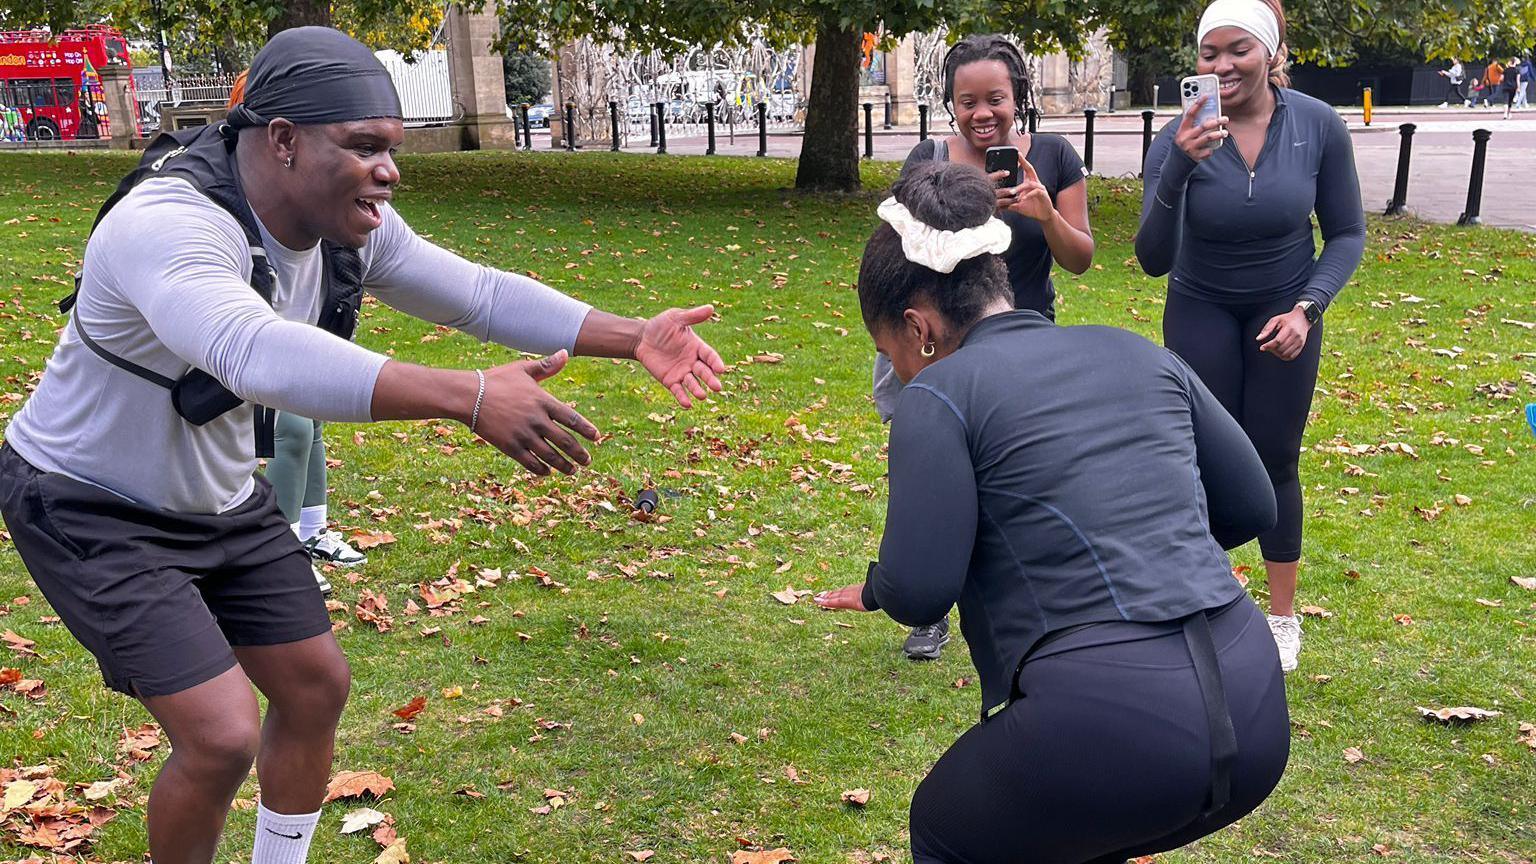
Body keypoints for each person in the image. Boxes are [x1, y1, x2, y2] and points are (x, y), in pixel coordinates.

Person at [0, 27, 723, 864]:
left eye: (394, 149)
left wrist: (633, 335)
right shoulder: (165, 223)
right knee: (222, 736)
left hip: (221, 497)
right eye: (366, 147)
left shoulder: (347, 222)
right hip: (90, 502)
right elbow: (254, 352)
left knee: (314, 688)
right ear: (281, 140)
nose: (390, 171)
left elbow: (477, 293)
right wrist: (469, 395)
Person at [816, 160, 1289, 864]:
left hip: (1107, 726)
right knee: (1070, 832)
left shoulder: (939, 394)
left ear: (919, 328)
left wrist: (880, 585)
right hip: (1254, 712)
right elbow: (1252, 504)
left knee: (944, 828)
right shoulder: (1137, 352)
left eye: (890, 353)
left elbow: (921, 587)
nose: (899, 372)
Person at [1135, 0, 1366, 673]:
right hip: (1200, 306)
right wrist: (1178, 163)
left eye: (1238, 49)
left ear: (1270, 52)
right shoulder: (1177, 136)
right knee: (1200, 458)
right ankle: (1203, 603)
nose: (1222, 65)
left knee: (1275, 459)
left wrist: (1306, 310)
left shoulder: (1317, 125)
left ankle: (1282, 618)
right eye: (1209, 53)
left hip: (1283, 311)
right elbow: (1153, 257)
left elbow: (1346, 233)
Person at [873, 33, 1095, 661]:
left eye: (994, 98)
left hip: (1022, 342)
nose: (981, 113)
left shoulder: (1051, 156)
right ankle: (929, 605)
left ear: (1017, 95)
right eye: (966, 100)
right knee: (929, 469)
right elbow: (903, 244)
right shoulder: (929, 156)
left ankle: (1029, 599)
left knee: (1022, 473)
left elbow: (1081, 258)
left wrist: (1045, 215)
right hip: (939, 345)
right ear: (949, 101)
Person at [223, 70, 366, 593]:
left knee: (312, 424)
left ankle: (312, 530)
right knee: (292, 430)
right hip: (256, 332)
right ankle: (279, 551)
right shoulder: (228, 183)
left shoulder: (318, 183)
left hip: (305, 317)